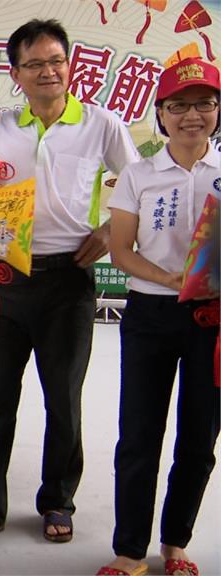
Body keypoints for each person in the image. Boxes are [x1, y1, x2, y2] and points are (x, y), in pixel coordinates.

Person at [0, 19, 140, 547]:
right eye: (34, 64)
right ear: (16, 74)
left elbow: (136, 185)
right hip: (8, 279)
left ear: (69, 65)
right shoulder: (1, 126)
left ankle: (57, 500)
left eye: (55, 61)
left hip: (68, 281)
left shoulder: (101, 124)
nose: (47, 71)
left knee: (64, 398)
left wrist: (108, 231)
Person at [97, 58, 220, 576]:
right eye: (179, 106)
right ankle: (129, 551)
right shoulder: (138, 175)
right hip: (150, 313)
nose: (193, 116)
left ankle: (176, 544)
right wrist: (171, 280)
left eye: (205, 104)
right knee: (139, 431)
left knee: (199, 436)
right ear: (161, 115)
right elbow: (121, 250)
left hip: (213, 319)